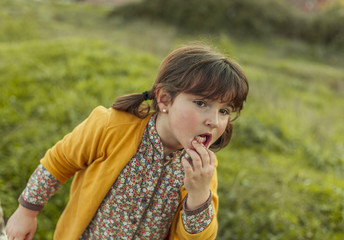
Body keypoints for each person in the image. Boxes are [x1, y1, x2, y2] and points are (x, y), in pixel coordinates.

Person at [5, 44, 249, 240]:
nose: (214, 121)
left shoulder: (203, 172)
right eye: (201, 103)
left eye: (224, 111)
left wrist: (199, 195)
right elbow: (59, 162)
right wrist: (27, 211)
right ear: (165, 99)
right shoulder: (111, 126)